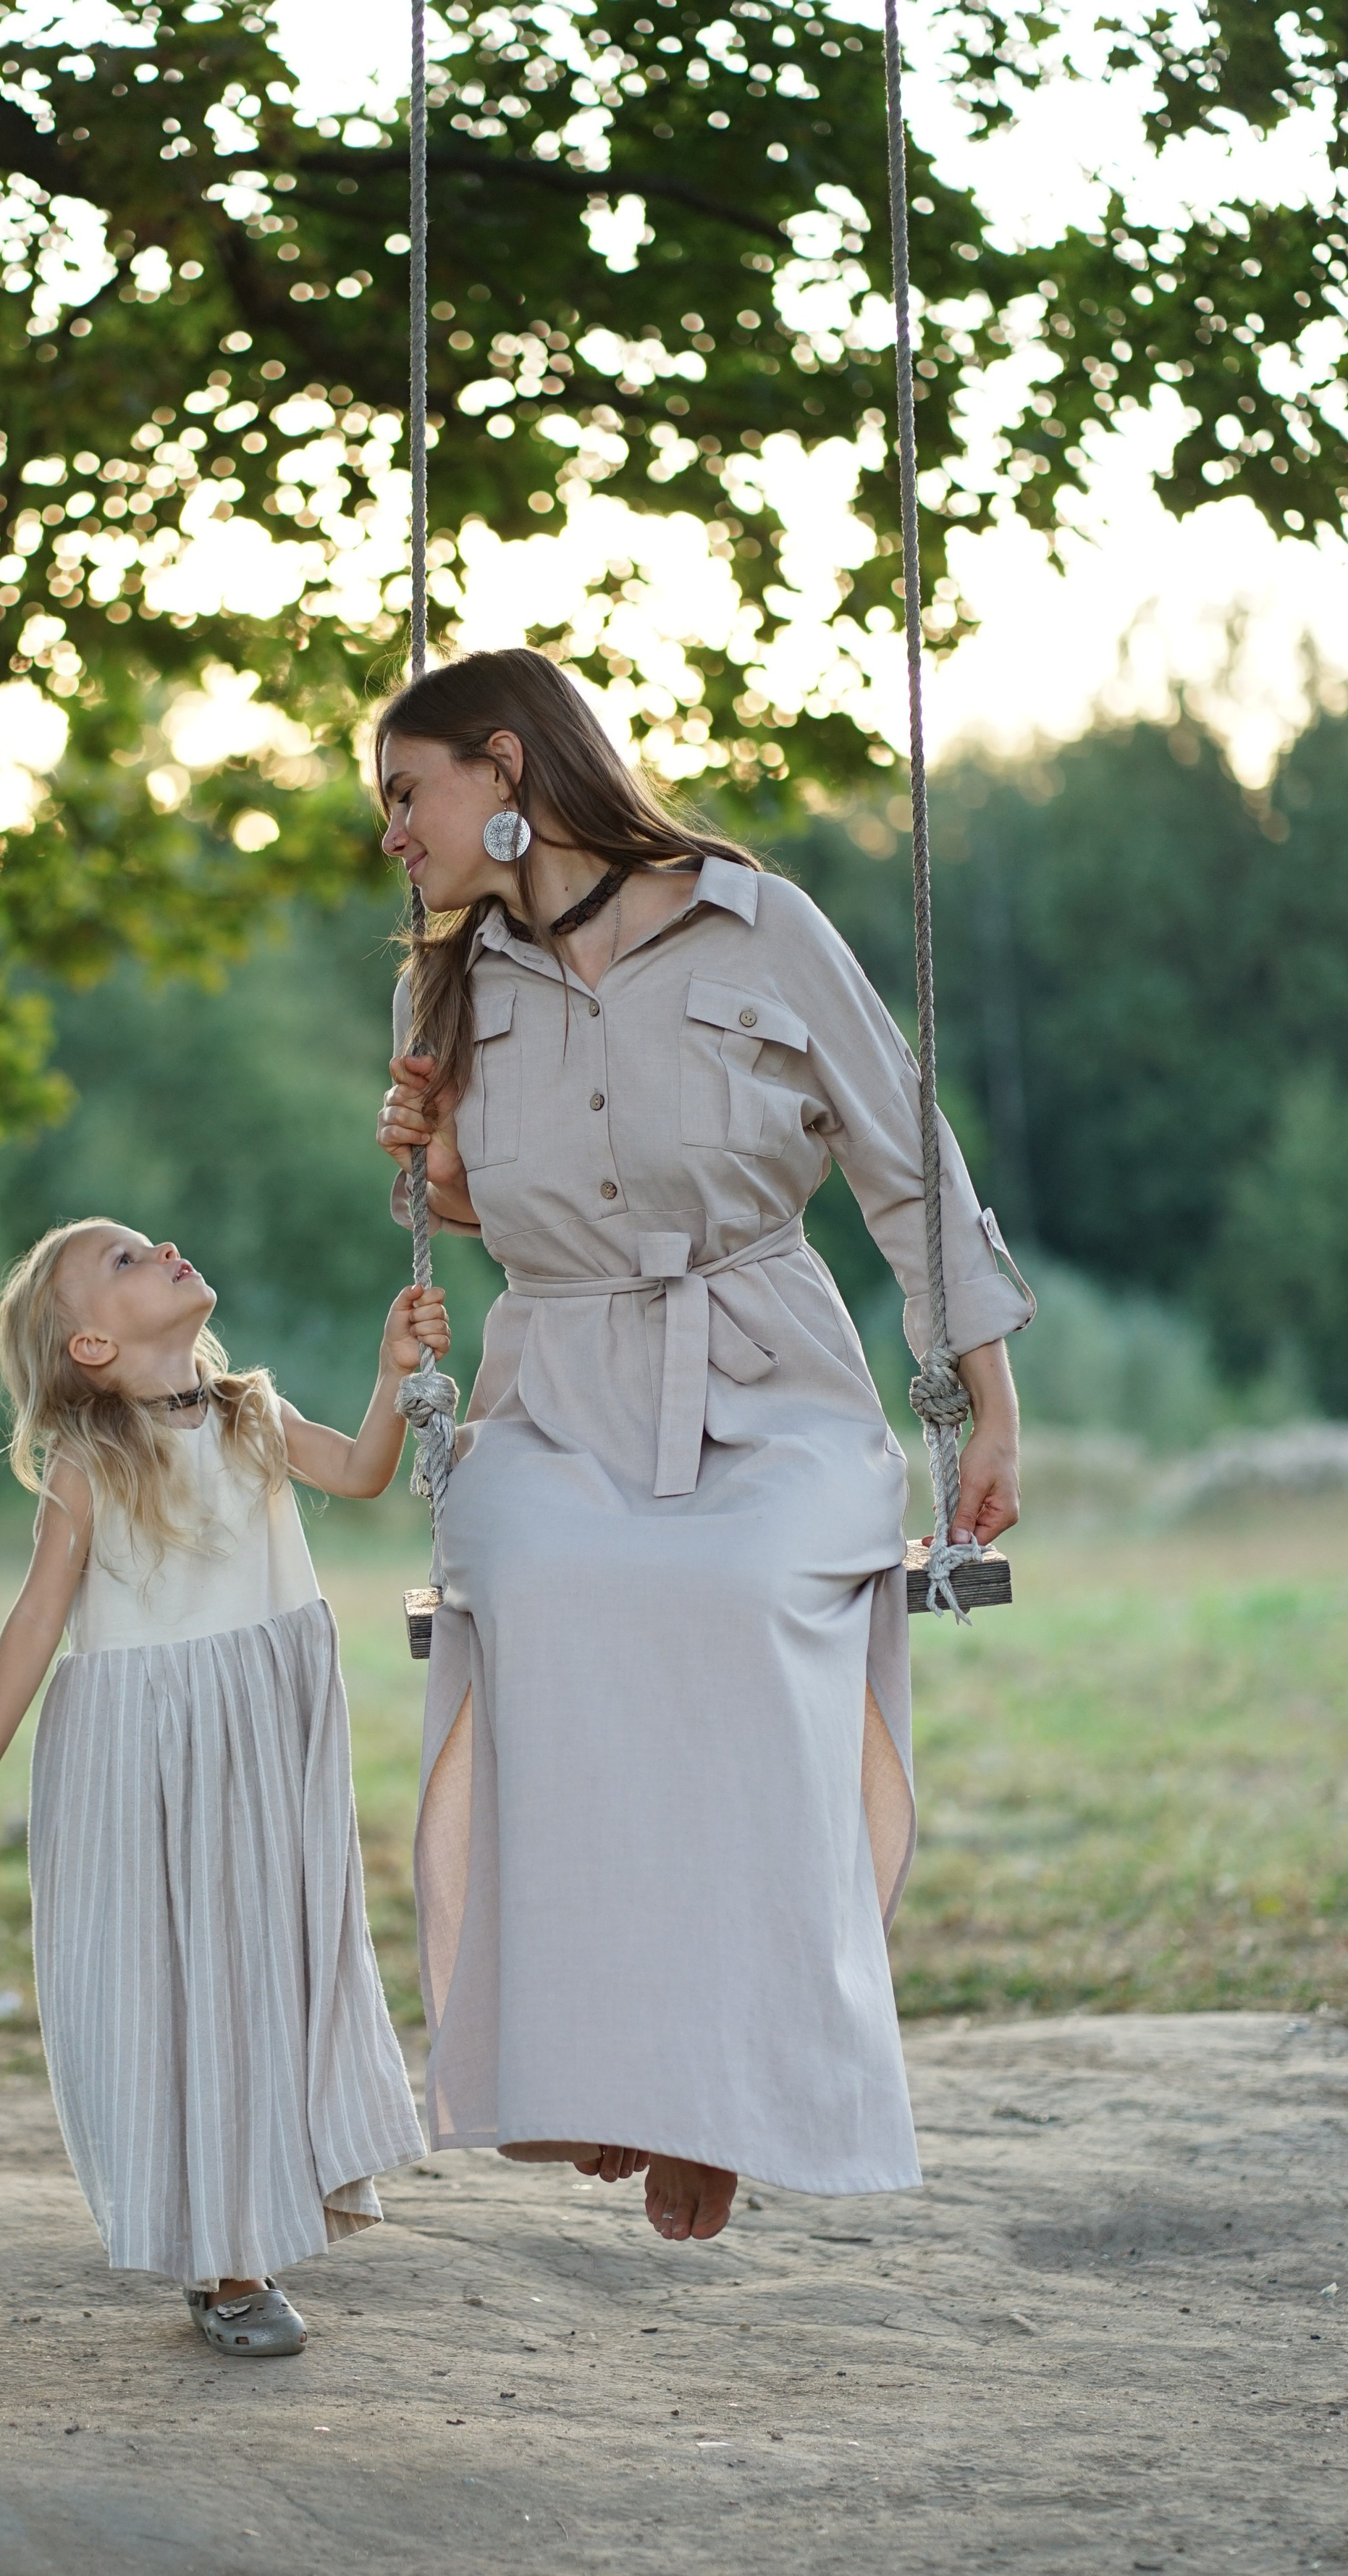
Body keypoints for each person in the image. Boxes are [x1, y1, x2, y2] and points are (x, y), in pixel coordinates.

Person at [374, 647, 1032, 2244]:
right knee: (534, 1586)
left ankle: (722, 2091)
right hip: (558, 1386)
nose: (391, 833)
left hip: (768, 1379)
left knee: (742, 1604)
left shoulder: (758, 922)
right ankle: (602, 2065)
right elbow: (494, 1215)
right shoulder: (446, 981)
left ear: (507, 765)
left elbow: (898, 1153)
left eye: (408, 793)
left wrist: (980, 1388)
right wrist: (443, 1180)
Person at [0, 1218, 442, 2354]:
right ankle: (225, 2267)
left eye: (146, 1241)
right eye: (121, 1262)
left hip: (262, 1733)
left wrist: (391, 1378)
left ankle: (254, 2227)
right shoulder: (90, 1462)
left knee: (262, 1972)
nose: (158, 1247)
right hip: (143, 1749)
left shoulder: (250, 1417)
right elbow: (37, 1616)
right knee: (182, 1984)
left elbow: (360, 1475)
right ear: (93, 1351)